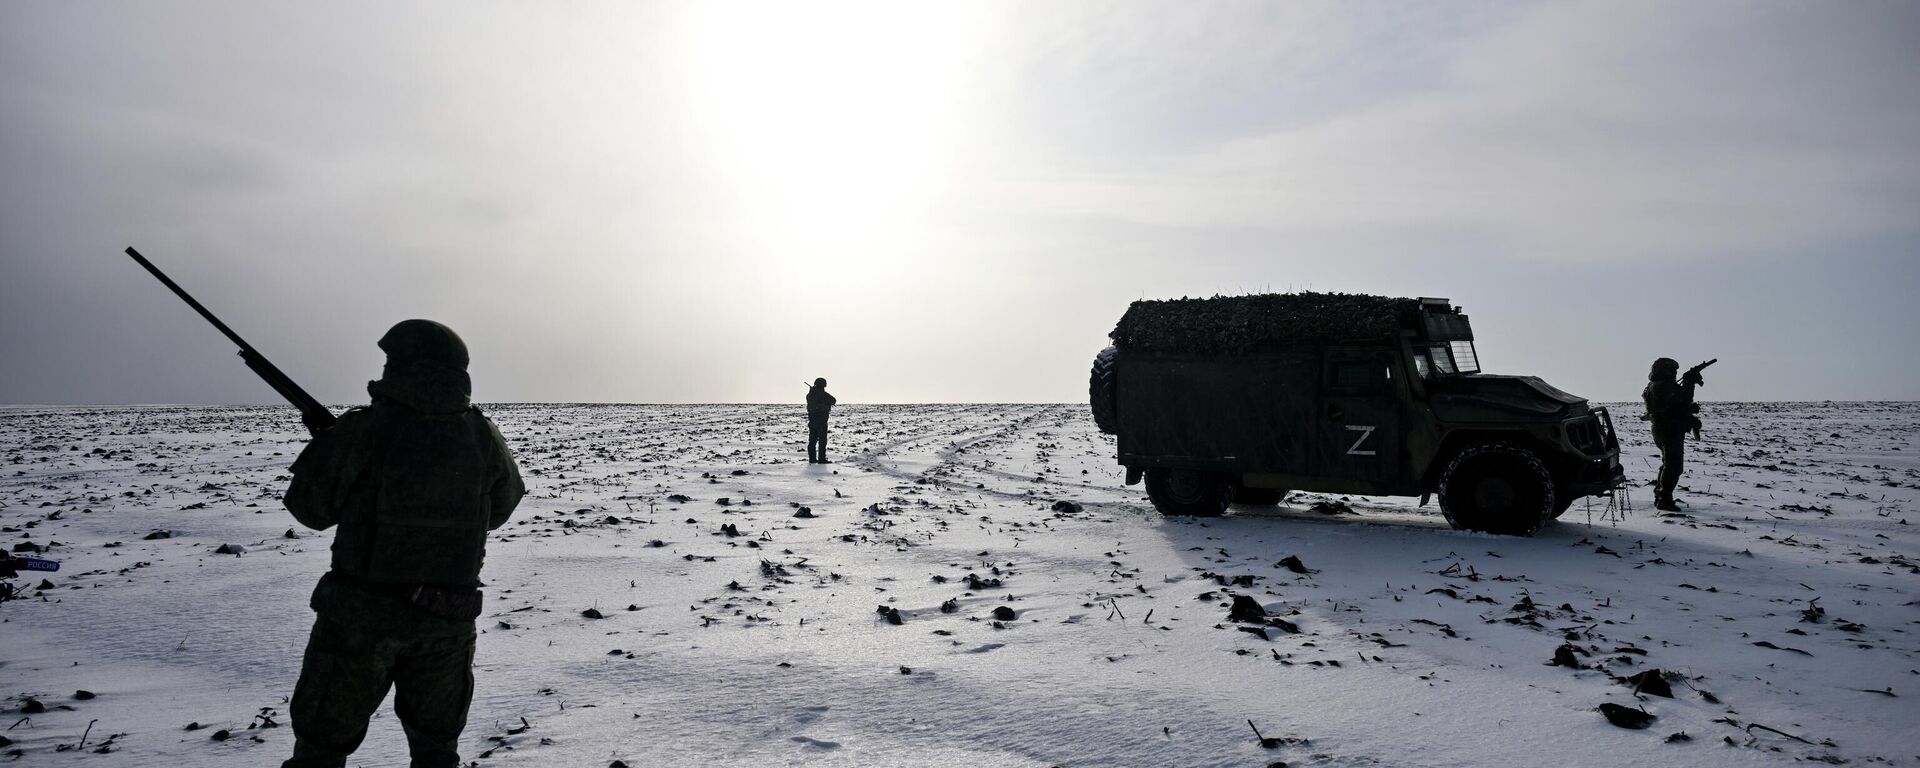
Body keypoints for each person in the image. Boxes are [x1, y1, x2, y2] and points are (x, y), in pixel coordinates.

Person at [280, 320, 525, 768]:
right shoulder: (482, 436)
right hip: (446, 625)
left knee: (320, 751)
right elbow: (503, 507)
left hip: (359, 624)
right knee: (436, 753)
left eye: (392, 361)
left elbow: (309, 511)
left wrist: (328, 450)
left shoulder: (364, 432)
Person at [1641, 357, 1701, 512]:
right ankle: (1664, 499)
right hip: (1668, 429)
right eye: (1672, 370)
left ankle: (1660, 495)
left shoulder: (1656, 385)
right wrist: (1689, 382)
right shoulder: (1663, 386)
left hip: (1665, 428)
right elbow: (1684, 398)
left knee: (1668, 464)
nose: (1674, 374)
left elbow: (1679, 403)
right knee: (1674, 466)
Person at [806, 377, 836, 463]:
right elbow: (833, 400)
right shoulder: (823, 394)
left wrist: (812, 390)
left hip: (812, 421)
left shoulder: (809, 395)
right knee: (822, 441)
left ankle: (812, 459)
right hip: (821, 421)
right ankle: (821, 459)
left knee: (812, 440)